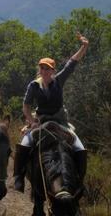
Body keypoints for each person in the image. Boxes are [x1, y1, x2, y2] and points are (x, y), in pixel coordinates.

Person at [14, 33, 89, 193]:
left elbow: (72, 63)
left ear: (53, 70)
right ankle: (18, 177)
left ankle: (80, 182)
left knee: (80, 149)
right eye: (42, 67)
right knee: (24, 144)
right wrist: (32, 121)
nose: (44, 70)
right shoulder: (33, 85)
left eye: (47, 68)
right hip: (40, 121)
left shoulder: (59, 80)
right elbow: (26, 106)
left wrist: (84, 46)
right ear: (39, 69)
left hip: (61, 122)